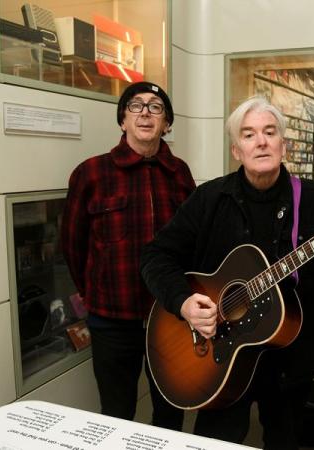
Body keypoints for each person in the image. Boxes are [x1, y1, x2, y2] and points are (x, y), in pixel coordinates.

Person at [140, 96, 314, 449]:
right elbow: (155, 255)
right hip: (218, 360)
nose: (261, 141)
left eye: (270, 132)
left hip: (291, 364)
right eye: (249, 134)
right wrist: (183, 303)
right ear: (237, 150)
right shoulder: (210, 199)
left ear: (284, 144)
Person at [61, 81, 195, 429]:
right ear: (123, 120)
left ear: (167, 123)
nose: (146, 113)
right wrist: (95, 296)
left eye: (156, 107)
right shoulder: (91, 172)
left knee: (170, 409)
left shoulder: (180, 174)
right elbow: (72, 246)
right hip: (111, 321)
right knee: (117, 415)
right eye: (136, 106)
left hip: (169, 318)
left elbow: (193, 242)